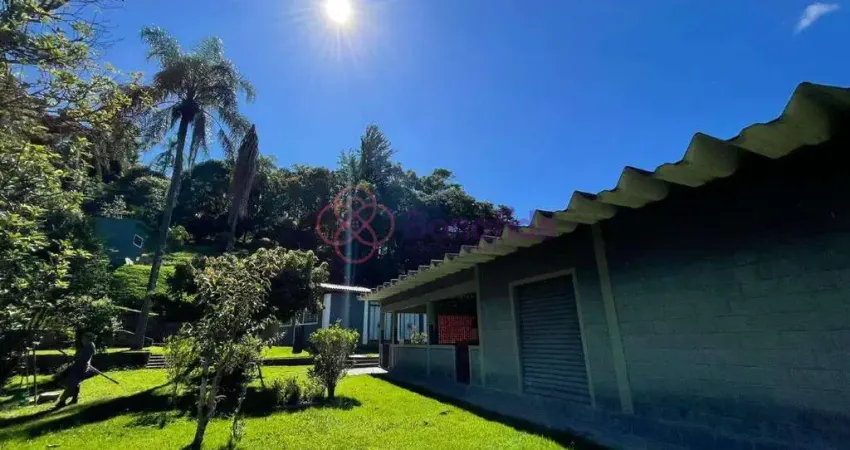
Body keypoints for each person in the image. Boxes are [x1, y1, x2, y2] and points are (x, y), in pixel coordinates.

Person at [55, 331, 96, 408]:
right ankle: (74, 399)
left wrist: (73, 358)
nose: (82, 340)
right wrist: (73, 357)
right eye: (82, 338)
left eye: (84, 338)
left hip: (80, 368)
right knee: (75, 383)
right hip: (79, 367)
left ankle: (62, 401)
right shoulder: (87, 346)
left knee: (71, 384)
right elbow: (79, 356)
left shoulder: (89, 346)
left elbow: (83, 358)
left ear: (88, 339)